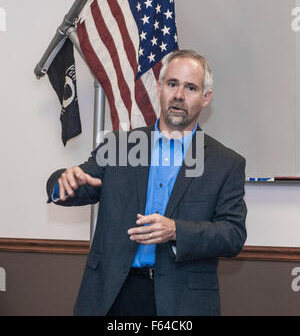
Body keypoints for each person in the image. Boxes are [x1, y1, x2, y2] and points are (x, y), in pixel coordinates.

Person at [46, 50, 247, 316]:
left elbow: (232, 234)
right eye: (172, 84)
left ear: (205, 97)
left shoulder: (225, 163)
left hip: (182, 300)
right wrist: (62, 181)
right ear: (160, 88)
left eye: (190, 87)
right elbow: (79, 182)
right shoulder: (120, 146)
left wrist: (176, 230)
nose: (178, 95)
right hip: (113, 295)